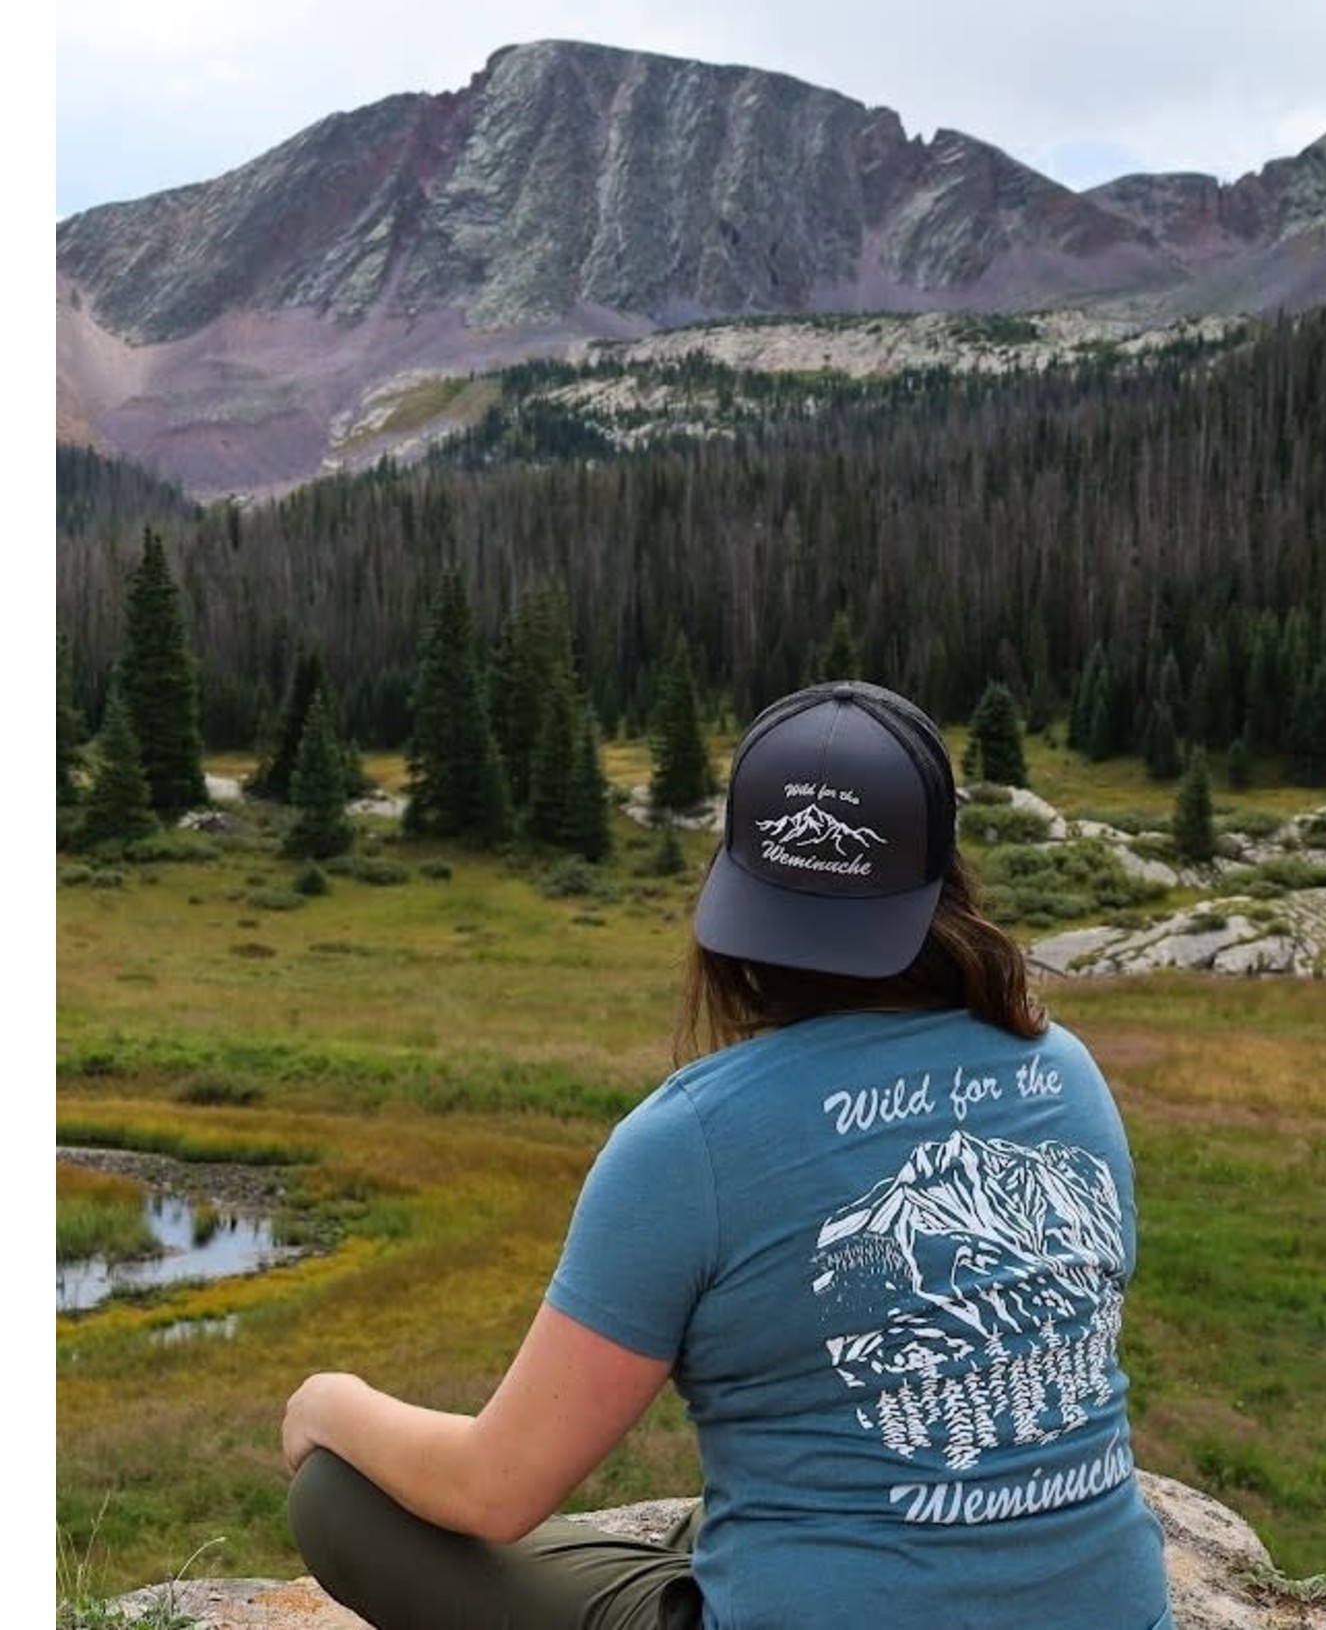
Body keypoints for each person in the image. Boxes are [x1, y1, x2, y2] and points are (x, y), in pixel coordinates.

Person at [284, 679, 1175, 1630]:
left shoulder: (689, 1142)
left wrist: (328, 1402)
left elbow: (494, 1490)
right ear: (942, 889)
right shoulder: (1064, 1069)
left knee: (336, 1499)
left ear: (737, 897)